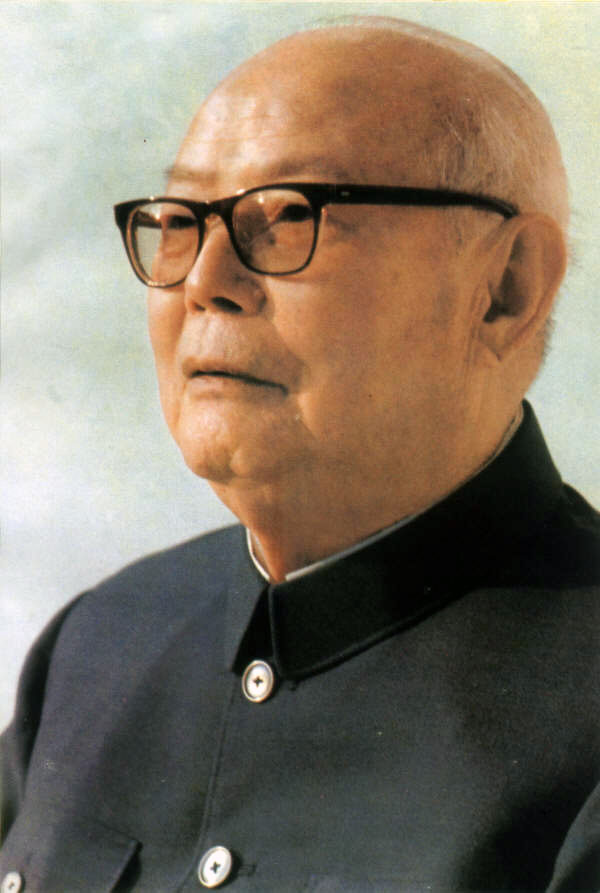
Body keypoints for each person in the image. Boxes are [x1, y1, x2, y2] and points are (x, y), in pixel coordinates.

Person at [1, 16, 599, 893]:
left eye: (285, 217)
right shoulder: (96, 647)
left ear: (505, 288)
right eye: (179, 220)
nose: (204, 280)